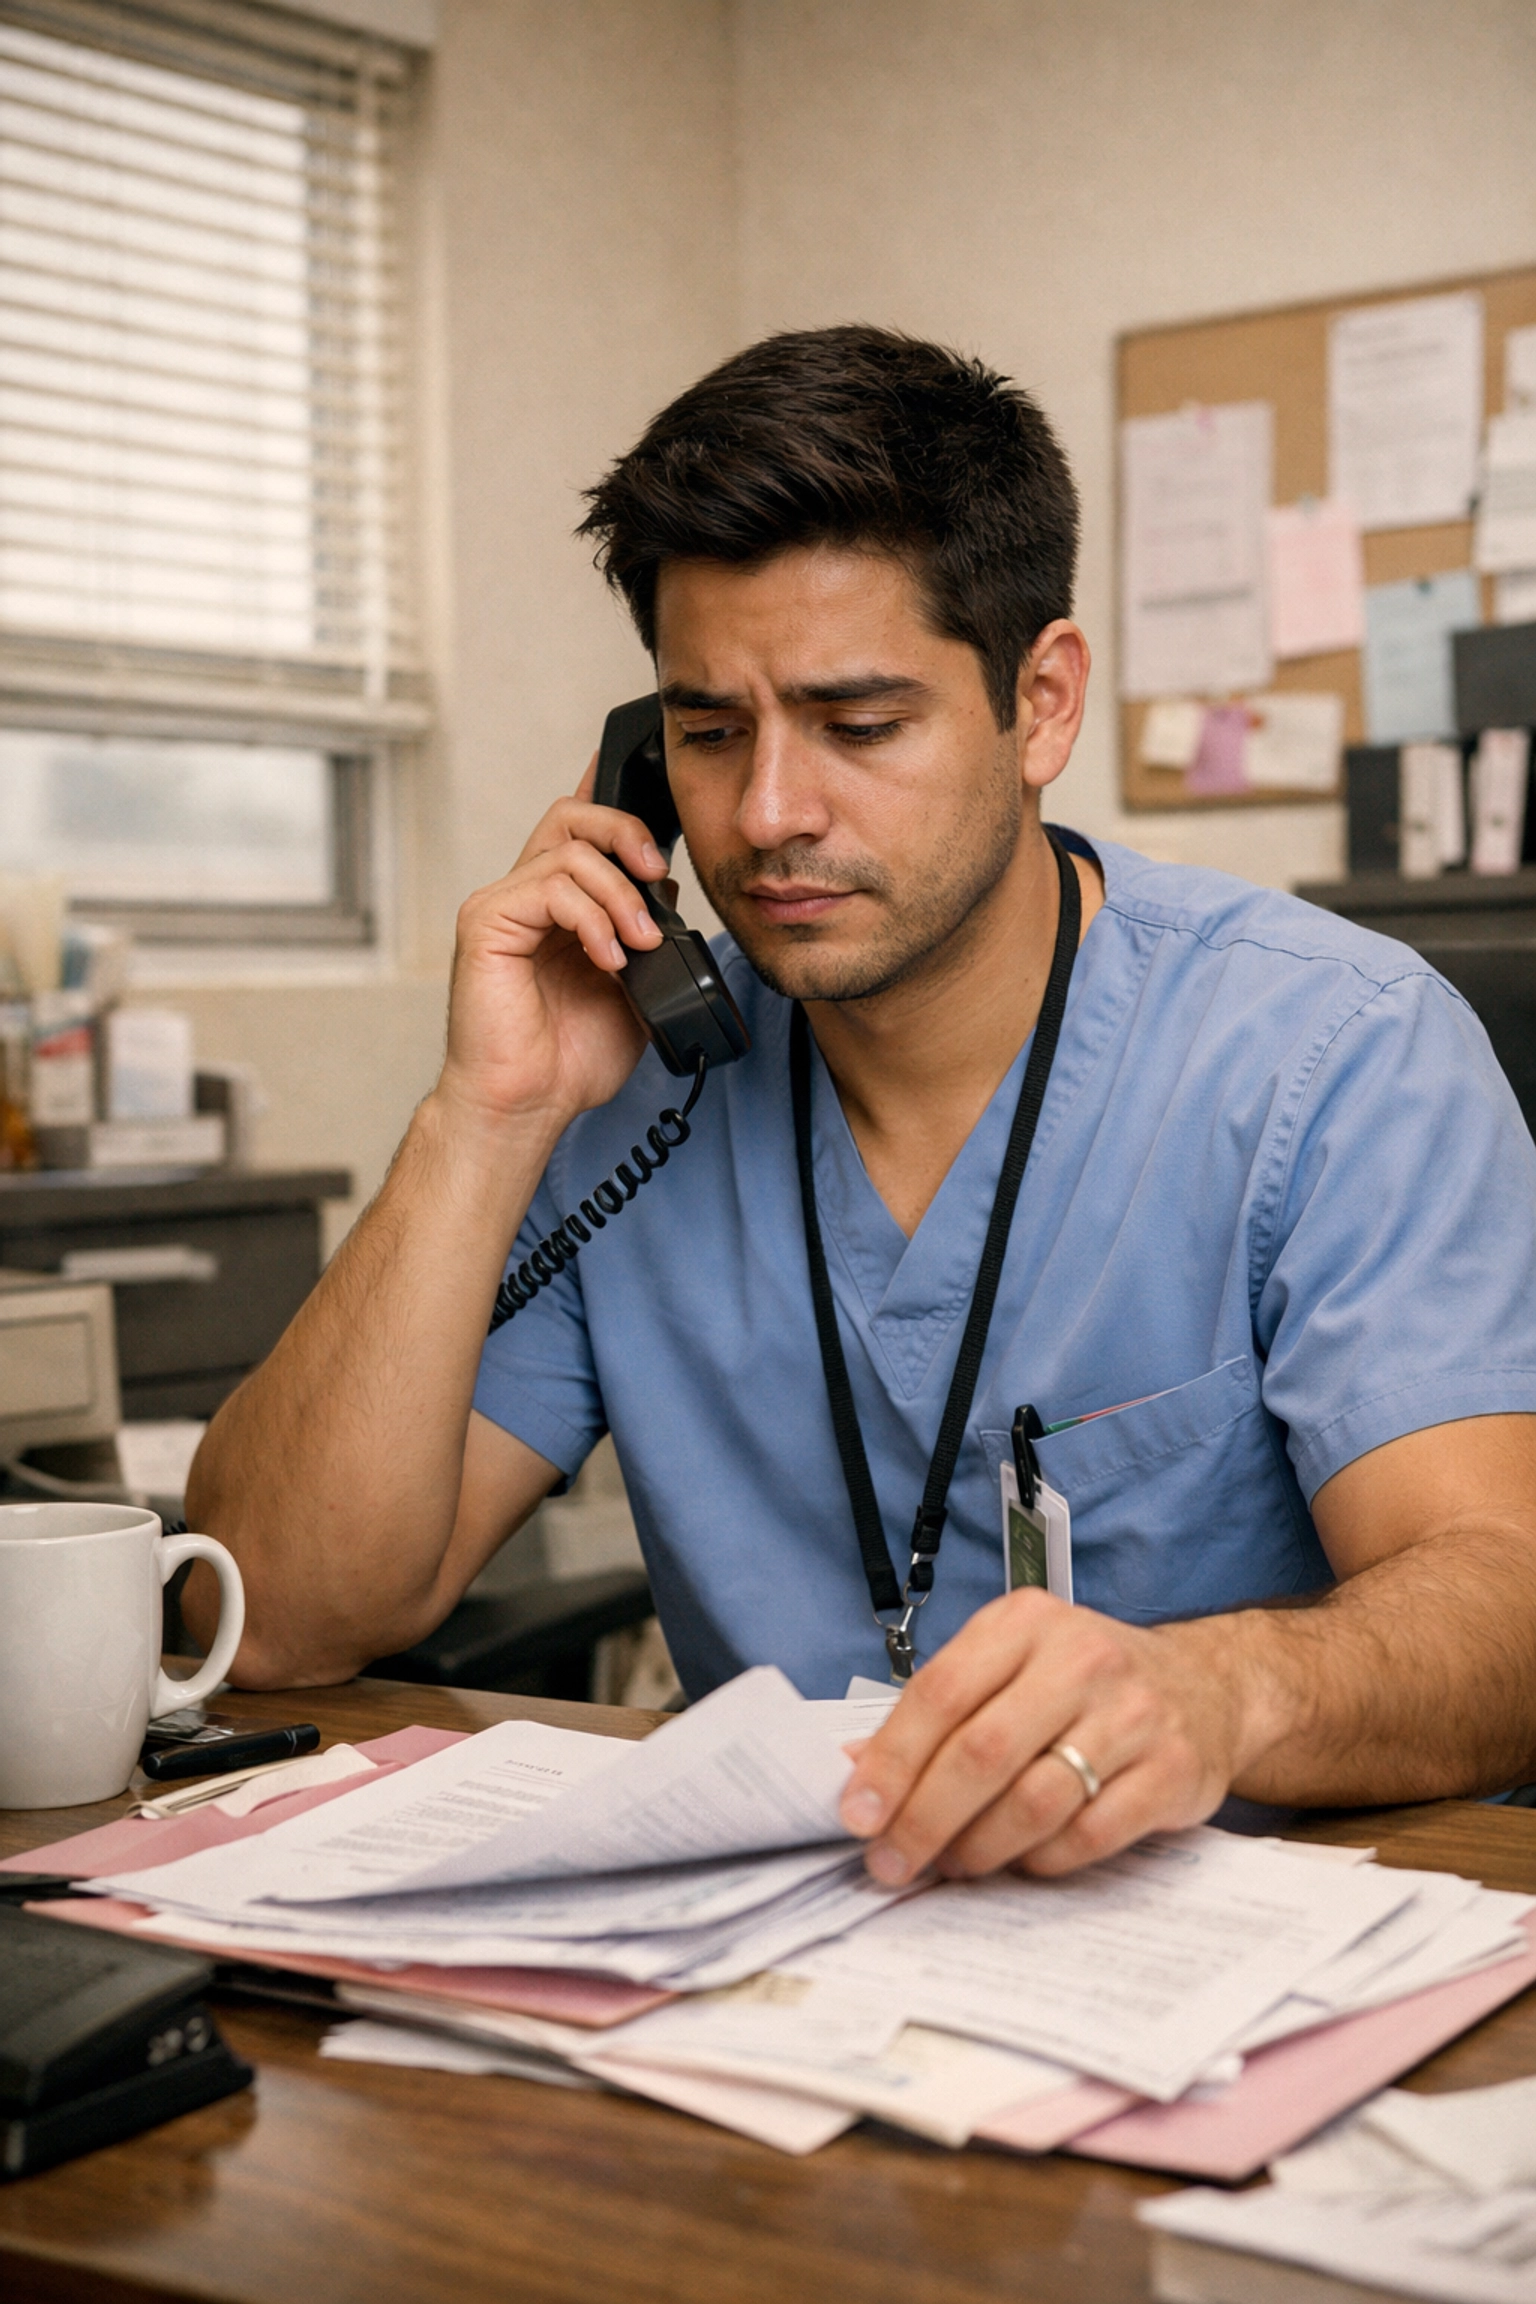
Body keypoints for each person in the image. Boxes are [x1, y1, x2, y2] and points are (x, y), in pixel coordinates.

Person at [187, 325, 1536, 1886]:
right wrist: (483, 1113)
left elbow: (1505, 1607)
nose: (766, 817)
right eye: (705, 733)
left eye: (859, 724)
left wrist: (1220, 1690)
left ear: (1040, 704)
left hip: (1251, 1976)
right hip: (767, 1981)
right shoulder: (630, 1089)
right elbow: (270, 1617)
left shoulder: (1335, 1054)